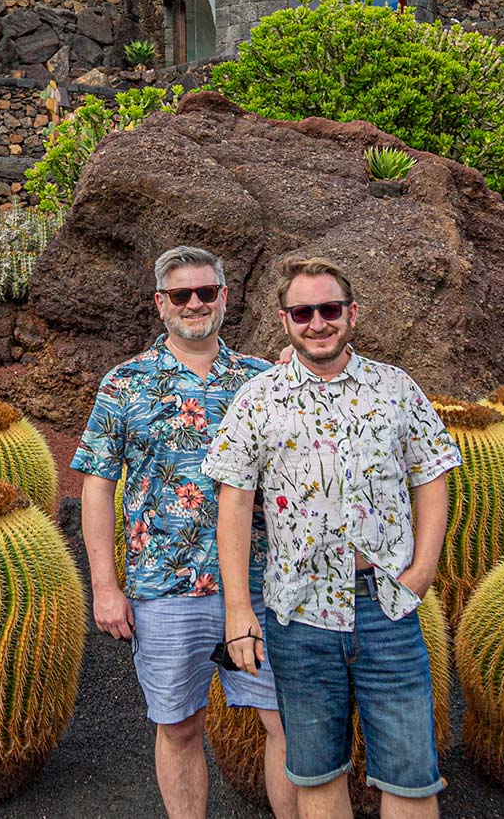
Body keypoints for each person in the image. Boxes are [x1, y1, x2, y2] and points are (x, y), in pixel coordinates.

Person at [206, 257, 461, 817]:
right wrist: (238, 611)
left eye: (329, 309)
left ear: (352, 313)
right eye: (303, 311)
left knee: (410, 777)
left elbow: (434, 472)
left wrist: (422, 571)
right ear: (285, 319)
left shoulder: (395, 388)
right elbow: (234, 504)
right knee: (317, 775)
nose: (317, 322)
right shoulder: (258, 400)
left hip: (386, 610)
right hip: (298, 616)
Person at [72, 247, 297, 819]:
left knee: (285, 722)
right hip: (167, 585)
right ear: (160, 304)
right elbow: (97, 486)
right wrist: (104, 586)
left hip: (262, 583)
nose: (194, 304)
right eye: (181, 295)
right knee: (179, 727)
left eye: (205, 293)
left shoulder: (263, 380)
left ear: (224, 298)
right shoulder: (124, 384)